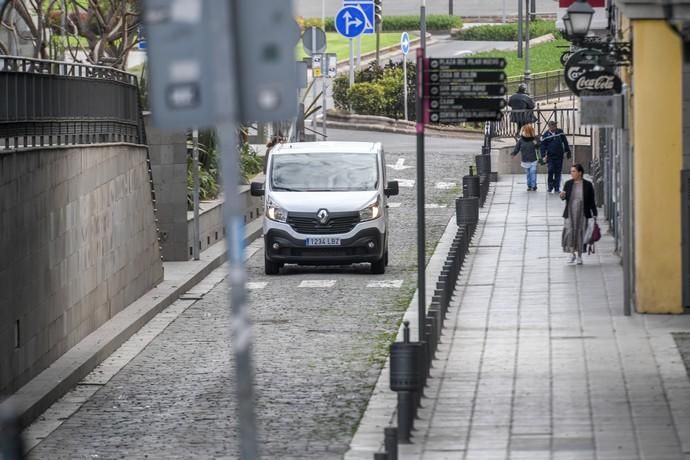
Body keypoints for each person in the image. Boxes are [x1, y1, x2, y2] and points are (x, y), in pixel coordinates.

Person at [560, 164, 597, 265]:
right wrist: (562, 196)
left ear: (580, 172)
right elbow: (564, 197)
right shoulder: (568, 183)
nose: (571, 173)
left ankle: (580, 256)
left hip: (582, 212)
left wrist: (594, 213)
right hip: (570, 212)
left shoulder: (588, 185)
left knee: (581, 233)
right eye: (571, 171)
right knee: (570, 232)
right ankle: (572, 254)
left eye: (574, 171)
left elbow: (591, 201)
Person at [541, 120, 571, 194]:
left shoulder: (560, 132)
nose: (553, 128)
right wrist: (543, 156)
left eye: (554, 126)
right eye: (551, 127)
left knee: (558, 172)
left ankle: (557, 187)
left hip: (559, 155)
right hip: (550, 157)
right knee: (550, 170)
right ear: (549, 127)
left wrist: (567, 151)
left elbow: (565, 141)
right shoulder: (545, 135)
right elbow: (543, 146)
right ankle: (550, 186)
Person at [511, 124, 540, 191]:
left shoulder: (534, 138)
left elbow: (539, 145)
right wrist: (513, 154)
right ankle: (529, 185)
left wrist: (536, 143)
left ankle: (534, 185)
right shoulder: (521, 140)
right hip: (525, 160)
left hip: (533, 159)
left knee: (533, 172)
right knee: (528, 174)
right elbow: (517, 148)